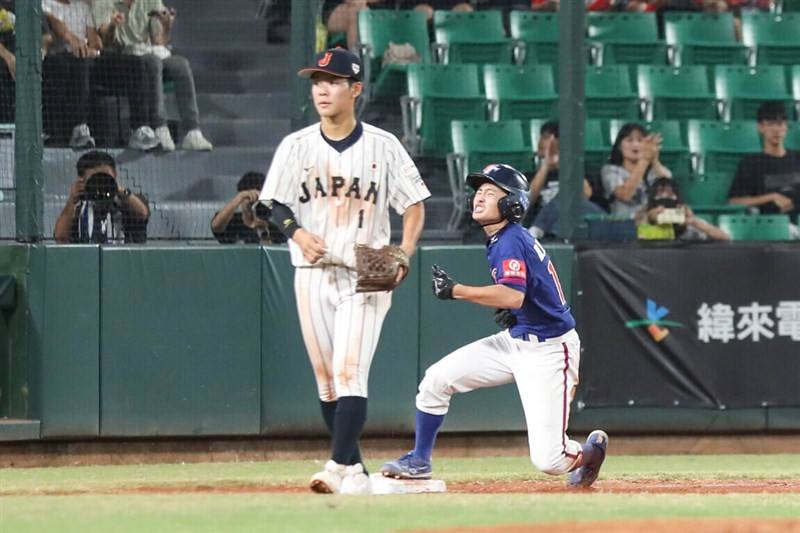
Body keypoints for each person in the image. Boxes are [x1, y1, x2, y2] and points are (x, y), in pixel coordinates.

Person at [258, 47, 429, 495]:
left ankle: (335, 466)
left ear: (354, 89)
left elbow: (413, 203)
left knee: (350, 369)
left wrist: (405, 251)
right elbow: (272, 205)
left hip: (368, 265)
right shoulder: (297, 146)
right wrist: (296, 231)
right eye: (316, 81)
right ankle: (356, 472)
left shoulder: (383, 145)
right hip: (311, 266)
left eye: (332, 81)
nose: (321, 89)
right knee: (328, 380)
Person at [380, 163, 608, 488]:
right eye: (478, 191)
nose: (478, 197)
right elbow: (521, 297)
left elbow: (513, 295)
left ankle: (591, 453)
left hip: (549, 350)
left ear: (511, 203)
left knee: (550, 460)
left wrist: (457, 291)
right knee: (436, 380)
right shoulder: (502, 238)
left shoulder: (510, 239)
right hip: (515, 340)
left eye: (490, 192)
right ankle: (419, 460)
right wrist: (516, 310)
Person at [93, 0, 212, 152]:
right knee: (152, 62)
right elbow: (104, 41)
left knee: (181, 64)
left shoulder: (151, 2)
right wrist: (113, 25)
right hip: (122, 57)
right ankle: (159, 126)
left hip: (150, 52)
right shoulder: (103, 2)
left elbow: (159, 41)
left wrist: (167, 25)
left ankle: (192, 130)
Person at [42, 0, 103, 148]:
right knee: (72, 64)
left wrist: (89, 49)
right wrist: (74, 41)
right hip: (56, 57)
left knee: (85, 62)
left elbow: (96, 41)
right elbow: (55, 25)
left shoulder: (83, 7)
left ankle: (81, 129)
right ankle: (75, 127)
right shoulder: (45, 3)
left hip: (84, 58)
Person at [527, 120, 604, 238]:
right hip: (554, 227)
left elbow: (586, 194)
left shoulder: (584, 170)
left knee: (567, 196)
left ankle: (538, 228)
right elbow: (526, 201)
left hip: (583, 221)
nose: (549, 143)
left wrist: (565, 163)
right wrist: (546, 166)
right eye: (545, 137)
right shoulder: (532, 175)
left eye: (556, 139)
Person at [54, 150, 149, 243]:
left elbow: (142, 213)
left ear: (115, 174)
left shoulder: (126, 201)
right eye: (96, 179)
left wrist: (117, 189)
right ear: (82, 179)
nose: (101, 183)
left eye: (105, 177)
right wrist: (72, 200)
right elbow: (60, 237)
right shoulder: (78, 208)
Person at [729, 101, 800, 223]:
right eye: (770, 124)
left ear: (786, 127)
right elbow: (734, 202)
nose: (776, 130)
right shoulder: (751, 163)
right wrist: (772, 197)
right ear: (760, 127)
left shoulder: (798, 158)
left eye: (780, 124)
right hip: (769, 227)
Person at [601, 122, 672, 219]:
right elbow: (625, 195)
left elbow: (670, 189)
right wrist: (645, 159)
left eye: (640, 140)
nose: (635, 144)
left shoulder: (653, 172)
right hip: (627, 227)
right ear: (619, 147)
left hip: (655, 226)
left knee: (685, 222)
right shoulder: (611, 170)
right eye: (629, 140)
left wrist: (654, 159)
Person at [635, 177, 730, 240]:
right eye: (660, 194)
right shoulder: (644, 217)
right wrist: (648, 218)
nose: (665, 197)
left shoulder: (688, 222)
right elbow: (641, 239)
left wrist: (693, 221)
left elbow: (725, 238)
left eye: (670, 194)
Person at [211, 171, 287, 245]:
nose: (254, 204)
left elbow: (271, 254)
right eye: (249, 199)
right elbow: (216, 226)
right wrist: (241, 197)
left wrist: (264, 234)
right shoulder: (232, 222)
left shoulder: (275, 231)